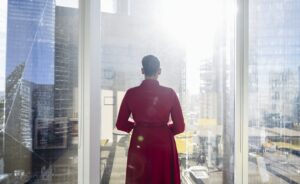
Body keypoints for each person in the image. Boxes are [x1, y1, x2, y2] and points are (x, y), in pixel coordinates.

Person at [116, 55, 185, 184]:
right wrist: (164, 129)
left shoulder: (131, 93)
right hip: (164, 144)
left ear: (142, 71)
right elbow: (180, 127)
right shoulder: (170, 93)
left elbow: (120, 124)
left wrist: (137, 126)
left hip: (140, 142)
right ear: (159, 71)